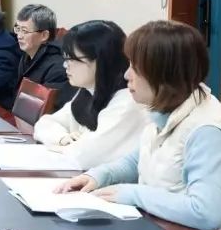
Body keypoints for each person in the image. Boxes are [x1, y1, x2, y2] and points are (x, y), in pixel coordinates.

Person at [58, 20, 221, 230]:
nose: (126, 75)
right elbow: (138, 160)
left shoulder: (209, 132)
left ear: (163, 75)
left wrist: (132, 193)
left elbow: (205, 213)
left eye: (135, 68)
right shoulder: (166, 111)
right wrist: (98, 176)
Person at [33, 20, 147, 169]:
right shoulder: (88, 91)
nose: (65, 65)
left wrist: (69, 146)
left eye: (72, 59)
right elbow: (45, 123)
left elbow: (86, 156)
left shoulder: (127, 102)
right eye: (66, 58)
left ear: (102, 61)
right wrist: (62, 139)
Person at [14, 4, 73, 109]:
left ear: (44, 35)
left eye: (25, 31)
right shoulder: (27, 54)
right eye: (17, 29)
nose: (19, 36)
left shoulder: (58, 67)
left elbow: (46, 108)